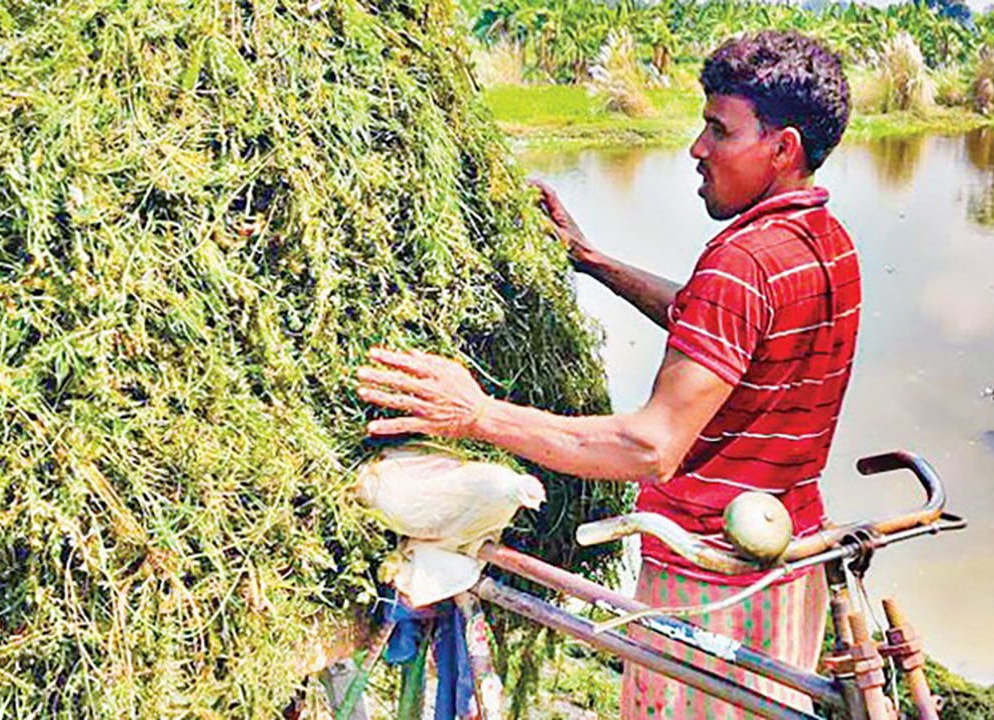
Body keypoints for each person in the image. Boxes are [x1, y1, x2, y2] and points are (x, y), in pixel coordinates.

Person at [356, 30, 857, 719]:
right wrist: (593, 261)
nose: (697, 148)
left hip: (711, 583)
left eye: (720, 130)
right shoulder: (824, 243)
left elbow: (650, 448)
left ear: (782, 149)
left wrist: (476, 415)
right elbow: (719, 327)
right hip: (791, 562)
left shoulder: (741, 265)